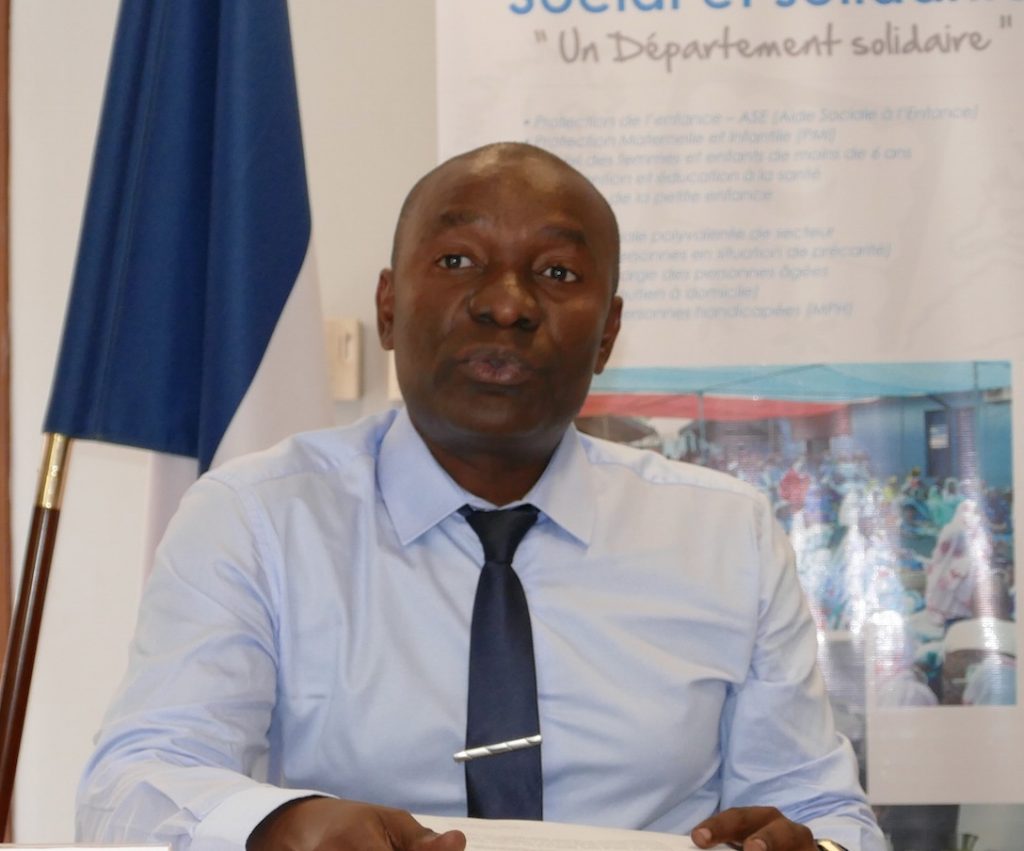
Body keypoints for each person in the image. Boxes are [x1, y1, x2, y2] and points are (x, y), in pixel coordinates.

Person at [76, 143, 883, 851]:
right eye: (459, 260)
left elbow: (823, 808)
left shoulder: (726, 535)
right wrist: (278, 823)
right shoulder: (257, 517)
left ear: (607, 333)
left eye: (557, 273)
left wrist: (813, 844)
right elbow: (134, 780)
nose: (507, 303)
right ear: (389, 306)